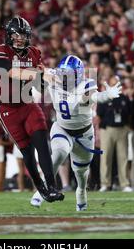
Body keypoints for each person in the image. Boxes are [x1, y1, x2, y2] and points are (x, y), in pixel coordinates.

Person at [29, 55, 122, 211]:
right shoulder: (53, 76)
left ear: (78, 74)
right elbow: (33, 74)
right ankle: (43, 189)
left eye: (69, 74)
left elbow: (93, 96)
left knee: (81, 172)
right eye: (63, 73)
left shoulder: (86, 85)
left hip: (84, 134)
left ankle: (81, 191)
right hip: (62, 128)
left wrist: (106, 95)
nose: (65, 77)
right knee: (58, 154)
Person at [0, 16, 64, 202]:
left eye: (24, 35)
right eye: (17, 34)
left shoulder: (34, 52)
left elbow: (41, 77)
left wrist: (49, 77)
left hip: (27, 103)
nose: (21, 38)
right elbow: (10, 72)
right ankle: (42, 189)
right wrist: (38, 74)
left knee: (42, 144)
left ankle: (52, 186)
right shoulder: (0, 51)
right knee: (27, 152)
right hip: (7, 109)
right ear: (8, 35)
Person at [97, 80, 132, 192]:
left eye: (117, 83)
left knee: (123, 157)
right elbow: (99, 115)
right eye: (112, 83)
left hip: (122, 129)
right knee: (105, 157)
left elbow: (128, 114)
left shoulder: (124, 98)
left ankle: (125, 183)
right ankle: (105, 183)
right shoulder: (103, 98)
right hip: (107, 129)